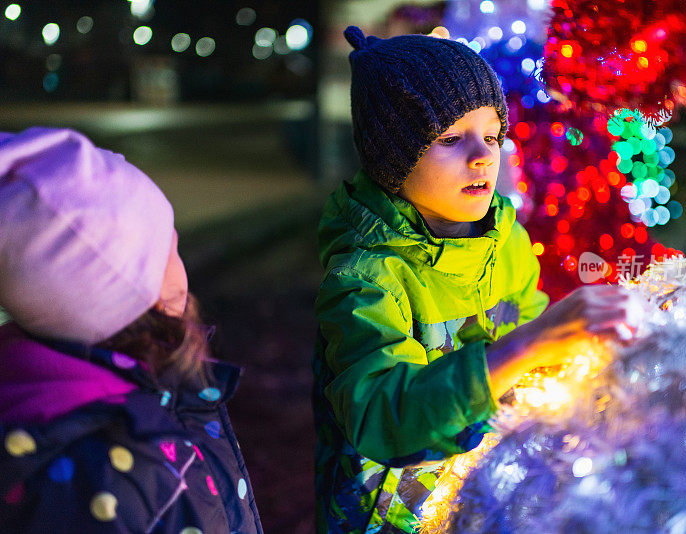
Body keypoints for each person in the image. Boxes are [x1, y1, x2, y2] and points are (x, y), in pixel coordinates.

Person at [313, 26, 638, 533]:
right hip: (392, 516)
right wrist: (532, 342)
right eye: (449, 137)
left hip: (486, 498)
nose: (483, 155)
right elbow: (382, 413)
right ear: (392, 160)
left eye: (492, 135)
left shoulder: (505, 238)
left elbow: (537, 352)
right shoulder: (365, 277)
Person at [0, 128, 263, 533]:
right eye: (170, 249)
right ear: (140, 291)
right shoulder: (119, 468)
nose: (181, 264)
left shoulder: (45, 393)